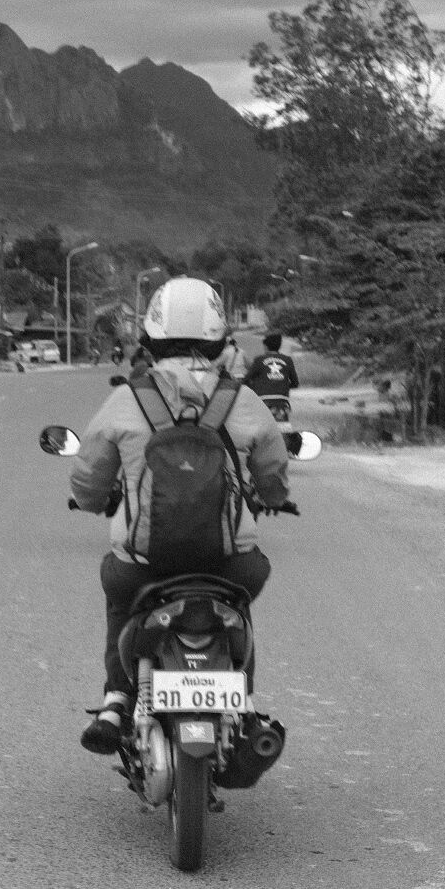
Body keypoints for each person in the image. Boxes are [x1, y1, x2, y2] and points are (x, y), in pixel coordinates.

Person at [67, 278, 290, 754]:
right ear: (218, 339)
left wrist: (90, 501)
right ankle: (243, 707)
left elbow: (88, 478)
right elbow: (272, 472)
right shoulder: (243, 400)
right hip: (228, 562)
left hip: (143, 563)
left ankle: (116, 701)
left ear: (149, 337)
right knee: (242, 603)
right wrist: (270, 495)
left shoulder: (127, 398)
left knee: (119, 594)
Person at [245, 332, 300, 401]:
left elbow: (246, 379)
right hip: (283, 399)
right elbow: (295, 383)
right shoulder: (287, 360)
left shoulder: (259, 360)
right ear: (279, 346)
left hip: (263, 399)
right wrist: (283, 386)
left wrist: (256, 386)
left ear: (266, 346)